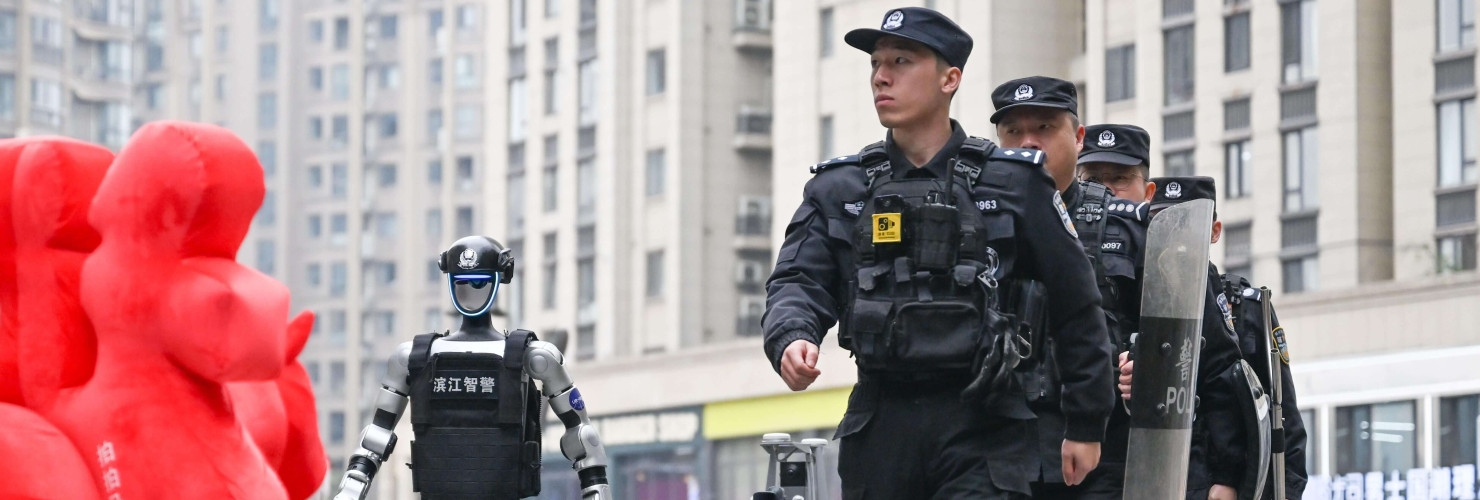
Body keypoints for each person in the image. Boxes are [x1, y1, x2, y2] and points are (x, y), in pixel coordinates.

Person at [762, 7, 1115, 499]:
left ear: (950, 79)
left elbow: (1077, 304)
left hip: (984, 424)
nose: (882, 76)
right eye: (876, 63)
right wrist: (792, 336)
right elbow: (798, 279)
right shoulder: (838, 187)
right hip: (880, 424)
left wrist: (1085, 420)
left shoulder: (1014, 182)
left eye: (902, 61)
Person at [334, 236, 611, 500]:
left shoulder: (530, 356)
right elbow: (376, 434)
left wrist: (597, 489)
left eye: (479, 282)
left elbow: (582, 435)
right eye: (463, 281)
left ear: (497, 281)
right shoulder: (415, 357)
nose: (470, 291)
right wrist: (351, 487)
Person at [990, 84, 1144, 499]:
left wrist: (1144, 360)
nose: (1028, 143)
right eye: (1012, 132)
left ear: (1078, 138)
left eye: (1044, 127)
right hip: (995, 451)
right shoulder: (974, 221)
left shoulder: (1126, 227)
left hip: (1102, 456)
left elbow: (1189, 341)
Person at [1116, 177, 1255, 500]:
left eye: (1185, 227)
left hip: (1186, 464)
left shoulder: (1222, 291)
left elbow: (1225, 377)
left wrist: (1226, 476)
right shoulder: (1104, 257)